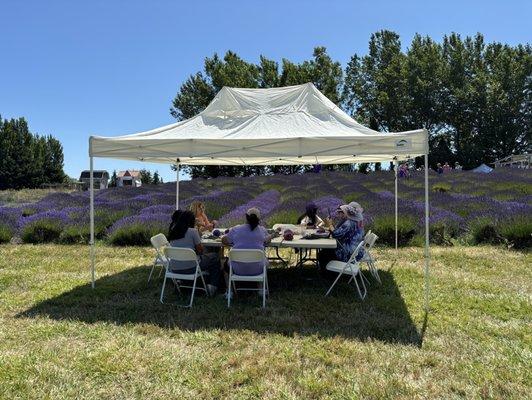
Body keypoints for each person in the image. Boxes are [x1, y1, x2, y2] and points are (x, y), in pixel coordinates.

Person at [167, 210, 221, 294]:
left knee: (208, 257)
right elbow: (201, 250)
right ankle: (212, 287)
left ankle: (182, 282)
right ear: (191, 221)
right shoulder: (192, 231)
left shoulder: (173, 230)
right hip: (191, 267)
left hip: (174, 268)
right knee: (215, 256)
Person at [221, 207, 272, 276]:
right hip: (258, 269)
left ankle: (230, 285)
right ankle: (260, 284)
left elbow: (224, 240)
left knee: (224, 261)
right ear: (258, 219)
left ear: (246, 217)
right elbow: (267, 241)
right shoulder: (262, 230)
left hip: (237, 269)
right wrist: (272, 235)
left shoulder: (236, 229)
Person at [318, 203, 365, 273]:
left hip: (347, 252)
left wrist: (330, 224)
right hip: (357, 250)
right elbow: (340, 232)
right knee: (326, 250)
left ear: (345, 213)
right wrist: (328, 228)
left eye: (340, 213)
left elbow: (336, 234)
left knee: (323, 253)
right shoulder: (358, 222)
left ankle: (328, 274)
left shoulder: (349, 223)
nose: (338, 215)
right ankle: (330, 272)